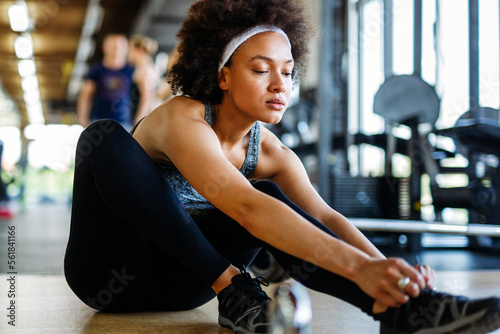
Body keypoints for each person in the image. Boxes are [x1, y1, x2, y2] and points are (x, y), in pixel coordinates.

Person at [64, 1, 500, 333]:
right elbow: (244, 207)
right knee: (104, 139)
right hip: (109, 275)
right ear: (223, 75)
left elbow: (326, 216)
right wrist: (359, 267)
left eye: (288, 73)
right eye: (261, 69)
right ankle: (235, 289)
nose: (279, 85)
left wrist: (387, 271)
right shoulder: (183, 118)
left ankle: (405, 312)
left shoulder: (270, 153)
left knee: (276, 197)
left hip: (186, 285)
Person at [76, 33, 135, 130]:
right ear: (104, 47)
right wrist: (82, 120)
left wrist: (139, 120)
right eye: (113, 45)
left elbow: (146, 96)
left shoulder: (132, 71)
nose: (116, 49)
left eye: (120, 46)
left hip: (125, 124)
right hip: (98, 122)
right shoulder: (96, 70)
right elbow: (85, 96)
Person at [127, 34, 161, 125]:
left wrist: (136, 124)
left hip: (135, 118)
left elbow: (147, 99)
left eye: (130, 50)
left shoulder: (145, 71)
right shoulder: (146, 68)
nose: (127, 54)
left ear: (139, 50)